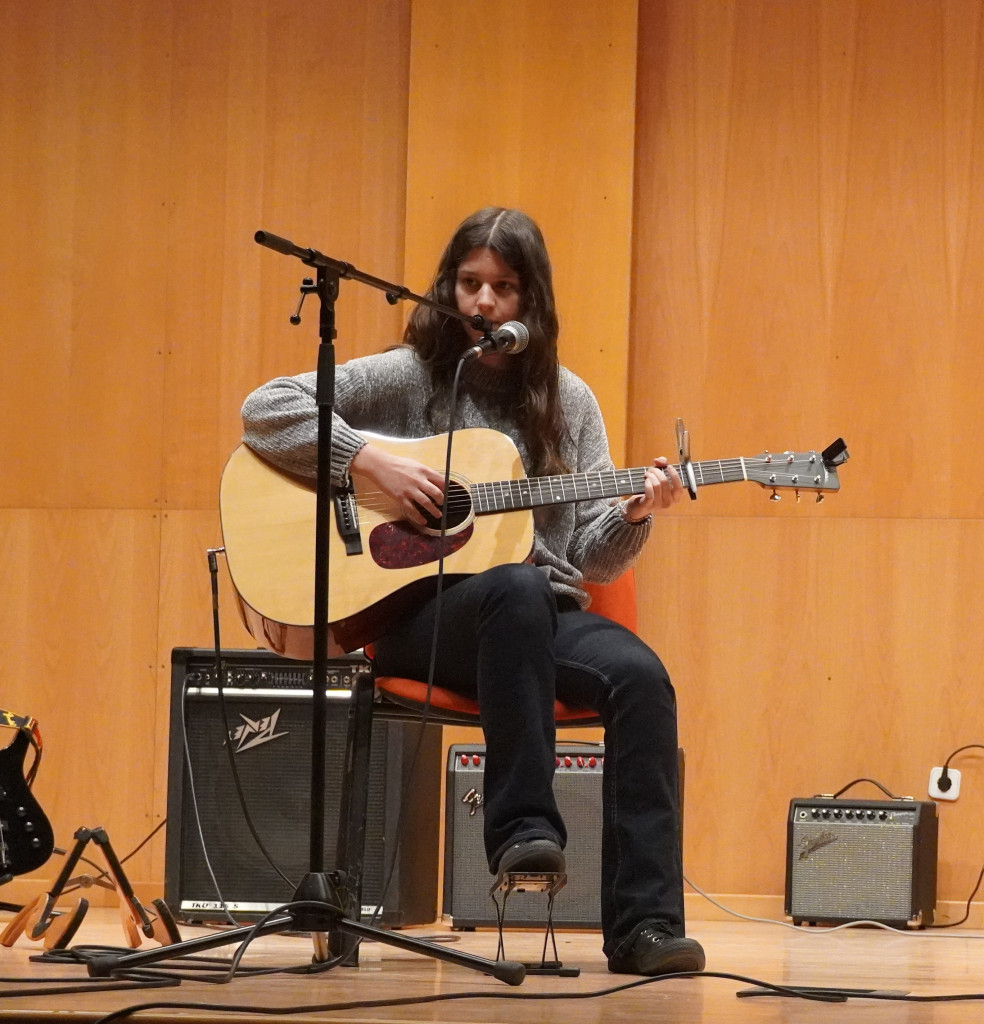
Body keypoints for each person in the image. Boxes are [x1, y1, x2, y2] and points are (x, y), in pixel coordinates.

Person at [241, 207, 706, 977]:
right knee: (513, 591)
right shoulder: (411, 376)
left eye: (503, 289)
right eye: (469, 284)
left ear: (533, 301)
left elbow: (591, 559)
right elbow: (266, 411)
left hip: (537, 612)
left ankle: (645, 927)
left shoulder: (570, 401)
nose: (484, 304)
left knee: (640, 678)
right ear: (446, 288)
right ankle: (523, 829)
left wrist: (634, 512)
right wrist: (369, 463)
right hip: (422, 616)